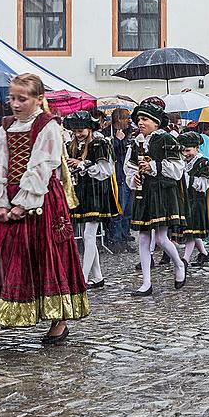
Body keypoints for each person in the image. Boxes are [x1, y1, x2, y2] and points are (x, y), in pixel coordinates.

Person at [0, 73, 89, 350]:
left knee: (47, 257)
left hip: (40, 199)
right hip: (10, 197)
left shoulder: (48, 125)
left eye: (22, 99)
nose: (15, 104)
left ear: (38, 99)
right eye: (12, 99)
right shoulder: (6, 126)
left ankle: (59, 321)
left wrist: (24, 203)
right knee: (5, 256)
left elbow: (42, 165)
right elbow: (0, 165)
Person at [125, 97, 188, 296]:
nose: (140, 123)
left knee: (160, 238)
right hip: (144, 194)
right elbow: (129, 166)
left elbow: (178, 169)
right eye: (139, 119)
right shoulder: (136, 142)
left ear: (156, 122)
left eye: (145, 119)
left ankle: (179, 264)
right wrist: (134, 177)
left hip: (162, 192)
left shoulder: (166, 139)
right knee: (143, 238)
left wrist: (153, 166)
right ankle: (146, 283)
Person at [65, 110, 119, 289]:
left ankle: (82, 276)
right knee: (88, 237)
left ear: (89, 128)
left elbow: (106, 170)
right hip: (81, 191)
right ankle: (98, 277)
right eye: (75, 131)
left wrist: (81, 164)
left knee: (88, 235)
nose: (78, 134)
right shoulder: (71, 144)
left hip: (97, 191)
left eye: (81, 130)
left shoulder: (100, 143)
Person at [177, 131, 209, 266]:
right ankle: (204, 254)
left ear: (197, 148)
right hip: (186, 201)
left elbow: (203, 185)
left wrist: (187, 178)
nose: (185, 154)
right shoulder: (183, 162)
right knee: (192, 231)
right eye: (183, 151)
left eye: (188, 150)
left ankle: (185, 260)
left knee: (191, 232)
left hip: (198, 202)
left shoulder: (203, 163)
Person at [103, 107, 134, 250]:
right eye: (126, 118)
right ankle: (116, 240)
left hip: (127, 175)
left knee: (128, 210)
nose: (129, 121)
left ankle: (124, 236)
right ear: (119, 119)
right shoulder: (106, 133)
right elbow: (112, 154)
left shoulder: (129, 133)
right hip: (117, 176)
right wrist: (117, 141)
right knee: (119, 209)